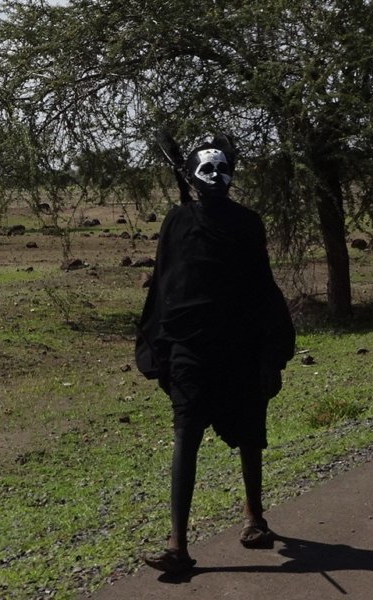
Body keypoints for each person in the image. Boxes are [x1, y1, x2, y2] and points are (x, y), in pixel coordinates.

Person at [135, 134, 296, 574]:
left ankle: (254, 517)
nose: (215, 176)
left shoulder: (247, 223)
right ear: (191, 175)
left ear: (231, 176)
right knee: (186, 435)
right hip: (189, 348)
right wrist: (163, 344)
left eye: (222, 169)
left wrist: (269, 351)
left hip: (241, 345)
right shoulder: (176, 221)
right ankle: (177, 546)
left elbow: (260, 285)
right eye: (206, 169)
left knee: (250, 431)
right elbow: (167, 281)